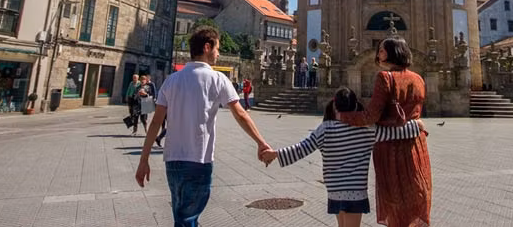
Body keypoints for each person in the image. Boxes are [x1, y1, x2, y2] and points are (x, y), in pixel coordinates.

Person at [135, 26, 271, 227]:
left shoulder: (171, 80)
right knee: (186, 219)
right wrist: (261, 143)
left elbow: (156, 122)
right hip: (198, 160)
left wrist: (144, 159)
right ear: (207, 47)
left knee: (183, 215)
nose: (219, 53)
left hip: (172, 161)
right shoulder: (217, 79)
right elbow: (240, 114)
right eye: (217, 48)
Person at [262, 88, 424, 227]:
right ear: (355, 105)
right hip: (355, 192)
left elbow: (302, 149)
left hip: (335, 191)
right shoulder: (367, 129)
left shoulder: (325, 129)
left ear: (334, 106)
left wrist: (275, 154)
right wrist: (416, 126)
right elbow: (394, 132)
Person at [337, 37, 432, 227]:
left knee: (395, 199)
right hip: (416, 146)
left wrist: (343, 117)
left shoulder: (385, 77)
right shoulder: (419, 79)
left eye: (381, 50)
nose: (378, 53)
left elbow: (371, 116)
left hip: (391, 150)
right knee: (414, 192)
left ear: (393, 52)